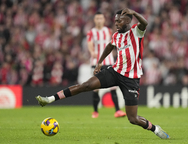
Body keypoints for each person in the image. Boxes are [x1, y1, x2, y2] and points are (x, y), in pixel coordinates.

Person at [36, 8, 170, 139]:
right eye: (115, 21)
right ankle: (49, 99)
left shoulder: (136, 31)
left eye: (119, 21)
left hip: (131, 79)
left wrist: (134, 13)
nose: (116, 24)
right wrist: (100, 61)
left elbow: (145, 23)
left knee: (133, 119)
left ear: (128, 21)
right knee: (86, 85)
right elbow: (109, 46)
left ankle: (155, 128)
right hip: (115, 71)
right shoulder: (116, 36)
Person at [87, 12, 126, 118]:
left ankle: (117, 111)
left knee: (113, 86)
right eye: (97, 18)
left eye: (101, 18)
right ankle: (95, 111)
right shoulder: (91, 32)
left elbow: (113, 43)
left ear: (104, 20)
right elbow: (89, 43)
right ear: (94, 20)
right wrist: (92, 52)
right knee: (95, 87)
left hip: (108, 62)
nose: (99, 20)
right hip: (96, 63)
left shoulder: (108, 31)